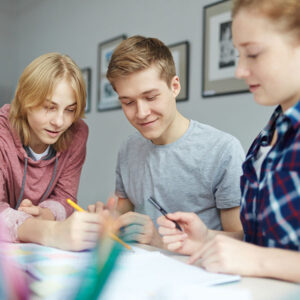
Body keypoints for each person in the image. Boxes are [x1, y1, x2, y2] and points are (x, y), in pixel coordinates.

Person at [158, 0, 300, 282]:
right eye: (238, 54)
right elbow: (267, 241)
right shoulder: (266, 138)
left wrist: (258, 261)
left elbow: (262, 257)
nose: (240, 70)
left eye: (253, 54)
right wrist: (206, 240)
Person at [102, 35, 245, 248]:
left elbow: (241, 240)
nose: (141, 113)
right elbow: (121, 214)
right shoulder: (128, 149)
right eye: (128, 102)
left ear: (174, 86)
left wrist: (159, 239)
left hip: (199, 272)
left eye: (151, 97)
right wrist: (106, 220)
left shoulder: (223, 151)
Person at [0, 53, 102, 251]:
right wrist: (50, 231)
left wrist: (44, 214)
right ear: (24, 100)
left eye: (70, 110)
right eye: (49, 107)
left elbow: (65, 197)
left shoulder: (77, 133)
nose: (59, 122)